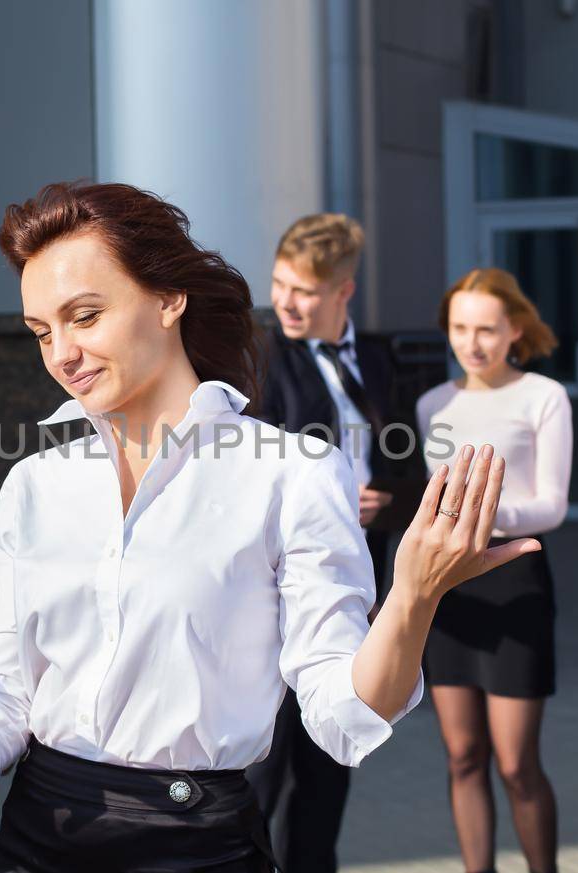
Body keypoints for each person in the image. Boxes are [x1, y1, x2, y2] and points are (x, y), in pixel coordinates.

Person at [0, 181, 542, 872]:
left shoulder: (291, 474)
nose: (61, 354)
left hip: (201, 845)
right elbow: (7, 698)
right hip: (36, 840)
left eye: (85, 316)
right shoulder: (35, 485)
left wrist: (412, 597)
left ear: (168, 298)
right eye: (41, 330)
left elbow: (343, 713)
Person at [247, 212, 416, 872]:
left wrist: (390, 500)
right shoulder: (258, 358)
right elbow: (245, 473)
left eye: (306, 291)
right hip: (277, 595)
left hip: (358, 584)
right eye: (280, 284)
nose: (287, 301)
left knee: (331, 763)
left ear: (344, 291)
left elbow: (406, 456)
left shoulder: (377, 357)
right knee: (265, 770)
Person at [415, 268, 569, 873]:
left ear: (515, 330)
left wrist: (477, 511)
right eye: (459, 328)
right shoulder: (433, 403)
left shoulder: (543, 396)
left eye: (485, 329)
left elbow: (553, 506)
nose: (471, 342)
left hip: (515, 578)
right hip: (449, 588)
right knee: (462, 756)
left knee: (516, 763)